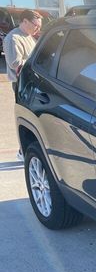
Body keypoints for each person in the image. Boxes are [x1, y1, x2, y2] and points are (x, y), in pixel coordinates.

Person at [3, 9, 42, 161]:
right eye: (35, 25)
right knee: (27, 118)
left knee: (34, 118)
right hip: (22, 84)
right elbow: (17, 64)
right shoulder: (13, 38)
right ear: (24, 21)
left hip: (32, 83)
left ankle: (24, 149)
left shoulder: (28, 36)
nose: (37, 29)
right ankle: (22, 151)